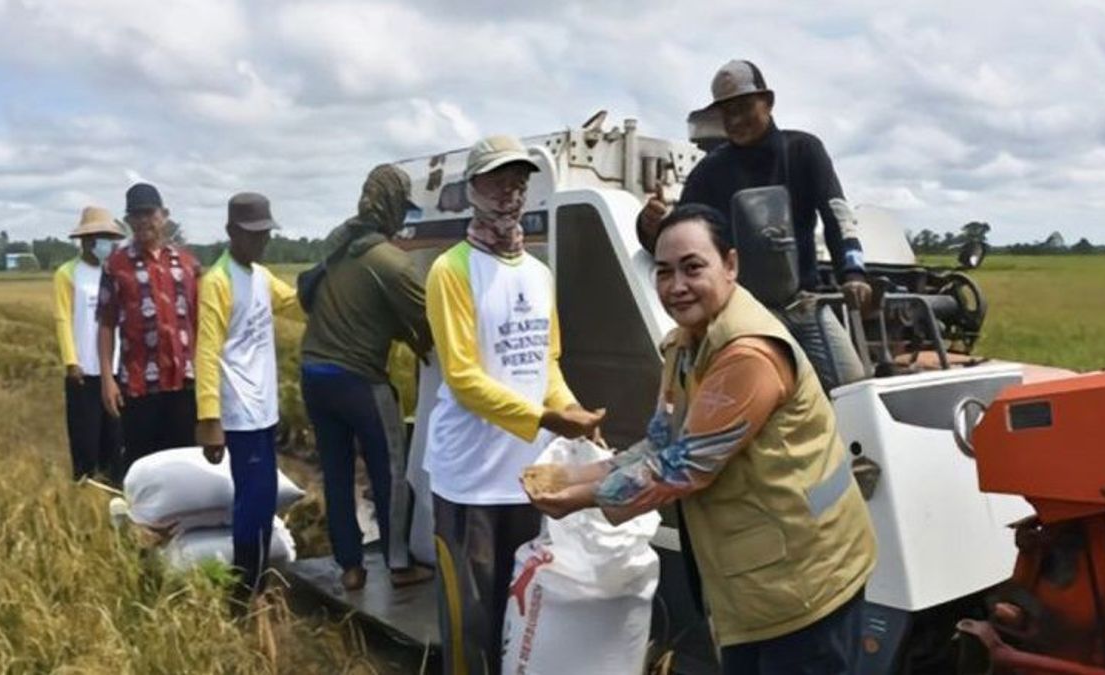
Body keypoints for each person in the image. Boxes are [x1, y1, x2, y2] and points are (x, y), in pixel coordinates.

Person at [529, 204, 877, 675]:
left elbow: (682, 467)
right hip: (754, 580)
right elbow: (660, 442)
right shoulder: (687, 343)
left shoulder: (748, 353)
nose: (676, 286)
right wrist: (573, 472)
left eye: (693, 268)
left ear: (730, 265)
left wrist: (579, 497)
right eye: (664, 272)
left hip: (806, 578)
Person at [424, 134, 605, 674]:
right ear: (471, 190)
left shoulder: (539, 273)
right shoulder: (450, 271)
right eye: (497, 180)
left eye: (519, 180)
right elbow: (461, 377)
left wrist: (574, 416)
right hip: (468, 480)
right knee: (469, 621)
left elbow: (545, 363)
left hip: (525, 479)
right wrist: (546, 419)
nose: (510, 192)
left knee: (520, 614)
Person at [638, 59, 872, 391]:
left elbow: (837, 214)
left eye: (745, 107)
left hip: (804, 302)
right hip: (743, 310)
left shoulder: (804, 150)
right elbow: (679, 235)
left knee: (853, 385)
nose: (736, 120)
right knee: (754, 392)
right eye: (727, 111)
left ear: (769, 102)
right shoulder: (710, 171)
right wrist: (650, 224)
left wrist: (853, 272)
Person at [299, 164, 435, 591]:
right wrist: (421, 345)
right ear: (393, 207)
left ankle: (351, 568)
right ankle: (398, 565)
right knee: (390, 471)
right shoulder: (392, 263)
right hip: (358, 381)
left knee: (336, 472)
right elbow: (429, 323)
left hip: (313, 374)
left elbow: (346, 309)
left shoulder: (337, 248)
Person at [195, 192, 297, 597]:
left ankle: (255, 576)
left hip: (264, 409)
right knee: (252, 503)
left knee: (265, 498)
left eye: (265, 234)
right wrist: (209, 420)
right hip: (238, 412)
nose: (261, 242)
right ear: (231, 232)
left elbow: (291, 303)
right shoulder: (218, 281)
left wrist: (328, 282)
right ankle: (245, 587)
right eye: (253, 234)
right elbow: (205, 352)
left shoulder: (261, 275)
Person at [97, 182, 200, 472]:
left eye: (149, 214)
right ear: (128, 221)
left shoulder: (187, 264)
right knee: (144, 467)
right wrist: (107, 379)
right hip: (139, 383)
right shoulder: (115, 266)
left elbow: (199, 323)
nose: (143, 221)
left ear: (164, 216)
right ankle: (144, 519)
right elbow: (106, 325)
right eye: (135, 215)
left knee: (184, 464)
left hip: (183, 382)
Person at [54, 206, 125, 482]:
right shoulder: (68, 273)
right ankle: (85, 496)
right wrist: (71, 362)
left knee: (116, 440)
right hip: (83, 372)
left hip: (116, 370)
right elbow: (63, 318)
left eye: (109, 237)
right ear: (85, 241)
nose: (106, 243)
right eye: (99, 237)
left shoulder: (116, 273)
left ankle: (115, 493)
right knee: (86, 440)